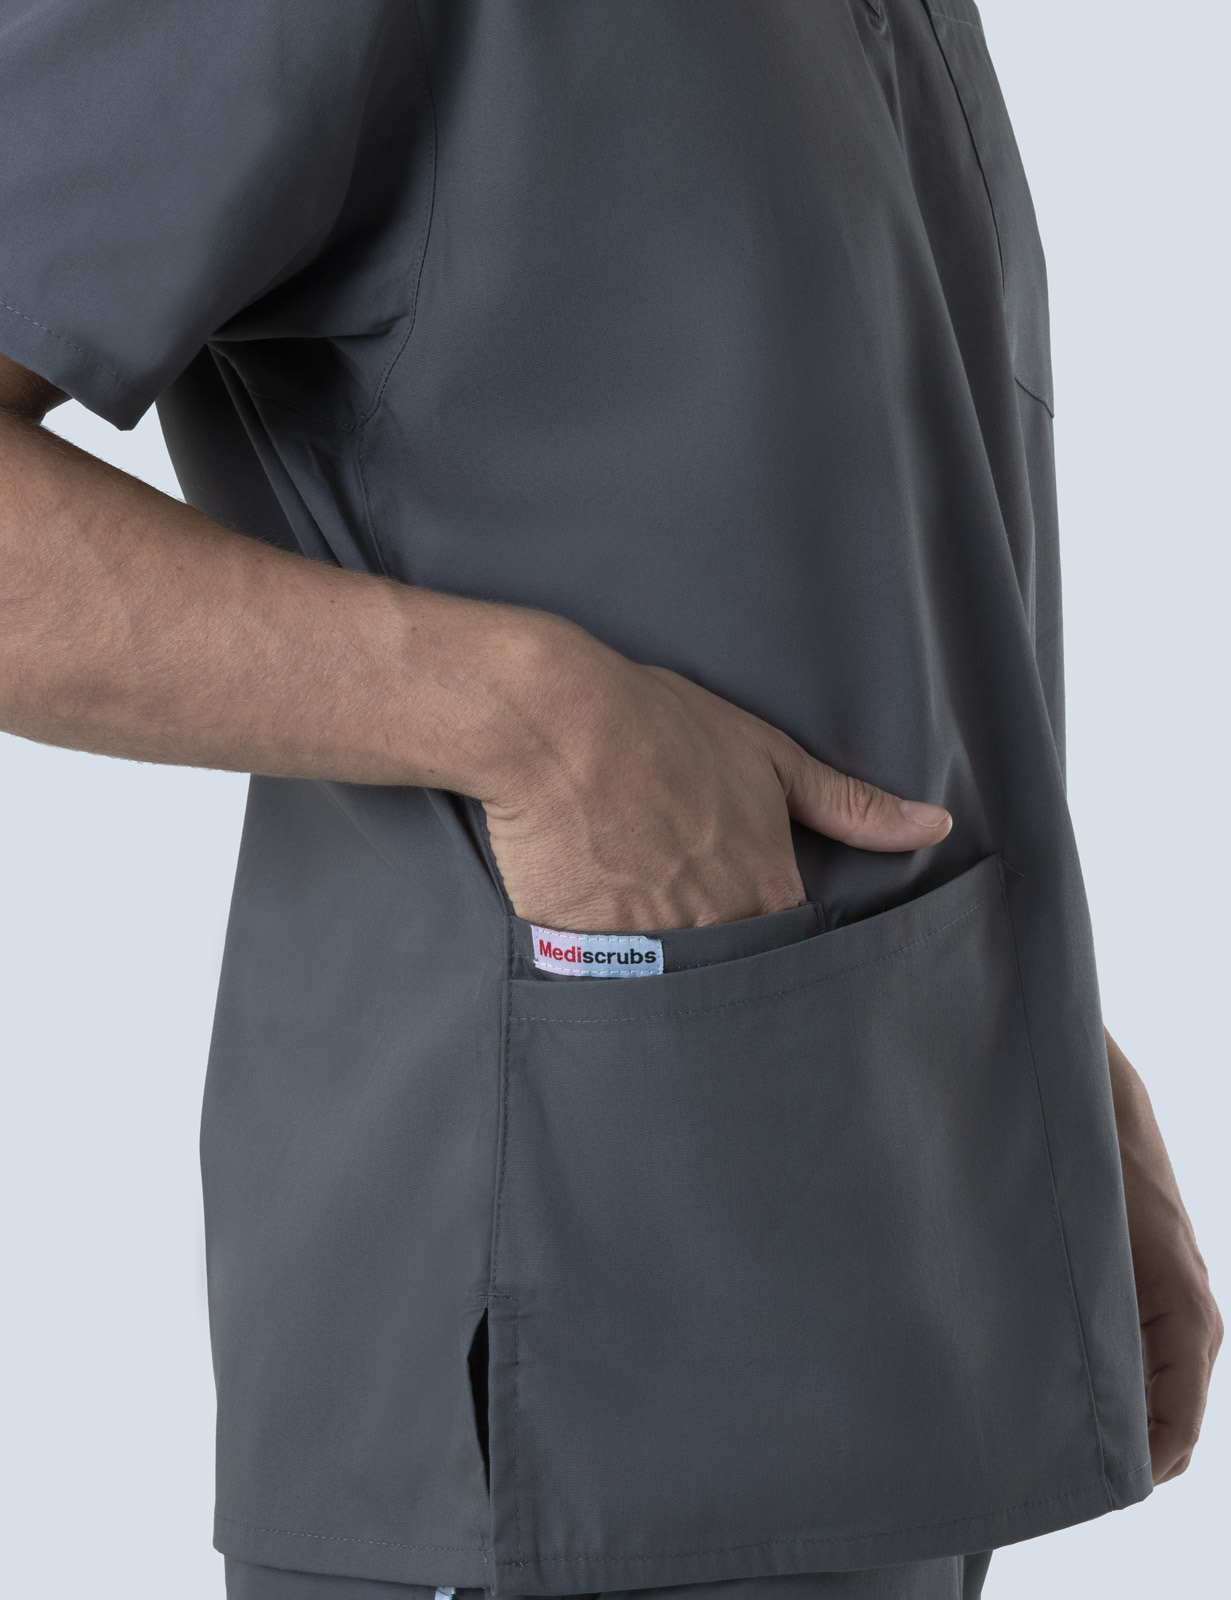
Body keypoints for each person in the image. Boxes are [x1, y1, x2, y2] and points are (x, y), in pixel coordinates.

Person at [0, 3, 1220, 1598]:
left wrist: (1043, 1066)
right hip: (563, 1345)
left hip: (895, 1286)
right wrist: (529, 721)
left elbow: (826, 567)